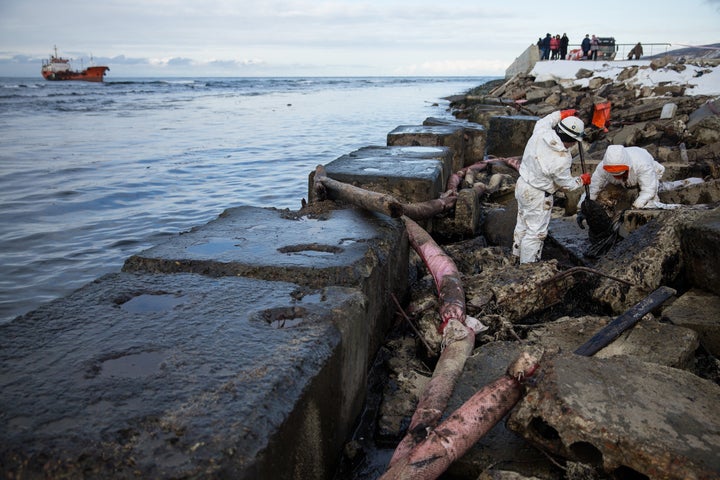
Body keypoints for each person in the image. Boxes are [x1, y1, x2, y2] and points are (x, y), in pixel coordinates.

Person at [512, 110, 591, 264]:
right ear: (572, 140)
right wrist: (582, 180)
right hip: (538, 194)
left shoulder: (542, 131)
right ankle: (528, 266)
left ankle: (515, 256)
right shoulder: (561, 159)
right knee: (536, 233)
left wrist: (562, 114)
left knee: (522, 222)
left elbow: (546, 119)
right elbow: (566, 186)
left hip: (523, 184)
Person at [577, 145, 673, 213]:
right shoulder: (602, 168)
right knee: (603, 198)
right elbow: (593, 189)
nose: (616, 176)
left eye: (619, 173)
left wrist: (636, 205)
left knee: (648, 205)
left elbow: (649, 190)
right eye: (614, 174)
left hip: (647, 178)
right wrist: (582, 207)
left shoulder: (642, 165)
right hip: (622, 183)